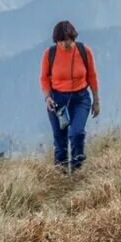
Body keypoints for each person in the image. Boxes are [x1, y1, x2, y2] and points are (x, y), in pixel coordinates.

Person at [40, 20, 101, 171]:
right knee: (60, 143)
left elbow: (92, 76)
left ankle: (77, 169)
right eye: (60, 42)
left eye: (66, 40)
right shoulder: (50, 54)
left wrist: (96, 100)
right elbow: (44, 78)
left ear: (73, 38)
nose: (63, 45)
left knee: (77, 133)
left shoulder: (84, 52)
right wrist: (47, 97)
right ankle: (60, 177)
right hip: (57, 100)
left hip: (80, 98)